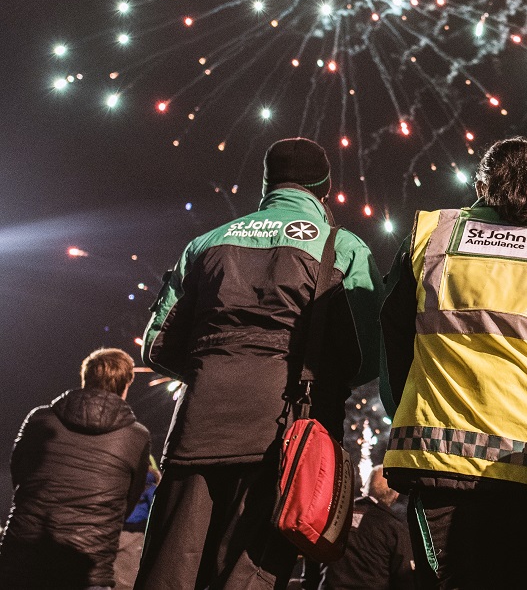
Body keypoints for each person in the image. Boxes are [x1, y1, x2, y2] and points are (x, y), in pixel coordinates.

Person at [134, 137, 384, 590]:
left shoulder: (205, 244)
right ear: (324, 189)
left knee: (168, 571)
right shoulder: (342, 247)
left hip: (197, 427)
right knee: (249, 576)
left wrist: (212, 369)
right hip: (287, 434)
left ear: (267, 185)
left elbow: (157, 345)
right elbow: (366, 357)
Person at [380, 137, 527, 589]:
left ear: (481, 183)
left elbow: (391, 333)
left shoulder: (433, 236)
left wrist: (405, 411)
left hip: (439, 459)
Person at [0, 347, 151, 590]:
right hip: (86, 568)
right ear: (126, 385)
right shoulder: (136, 437)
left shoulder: (40, 418)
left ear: (85, 378)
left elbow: (19, 473)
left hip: (22, 558)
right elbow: (128, 501)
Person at [324, 467, 414, 590]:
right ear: (396, 495)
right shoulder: (394, 529)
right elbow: (406, 580)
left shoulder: (335, 516)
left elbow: (312, 564)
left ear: (365, 488)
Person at [113, 460, 160, 590]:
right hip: (138, 533)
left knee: (118, 570)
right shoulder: (151, 488)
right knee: (131, 573)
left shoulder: (124, 486)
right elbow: (156, 510)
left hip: (120, 529)